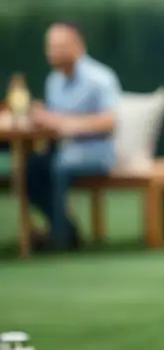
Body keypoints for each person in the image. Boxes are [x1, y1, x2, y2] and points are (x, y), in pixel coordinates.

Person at [27, 22, 121, 250]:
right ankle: (64, 229)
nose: (53, 51)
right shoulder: (54, 81)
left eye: (59, 45)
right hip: (63, 149)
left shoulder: (100, 78)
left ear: (78, 45)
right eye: (50, 46)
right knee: (30, 169)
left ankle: (61, 240)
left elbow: (109, 123)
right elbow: (53, 121)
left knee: (59, 166)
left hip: (98, 152)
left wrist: (65, 124)